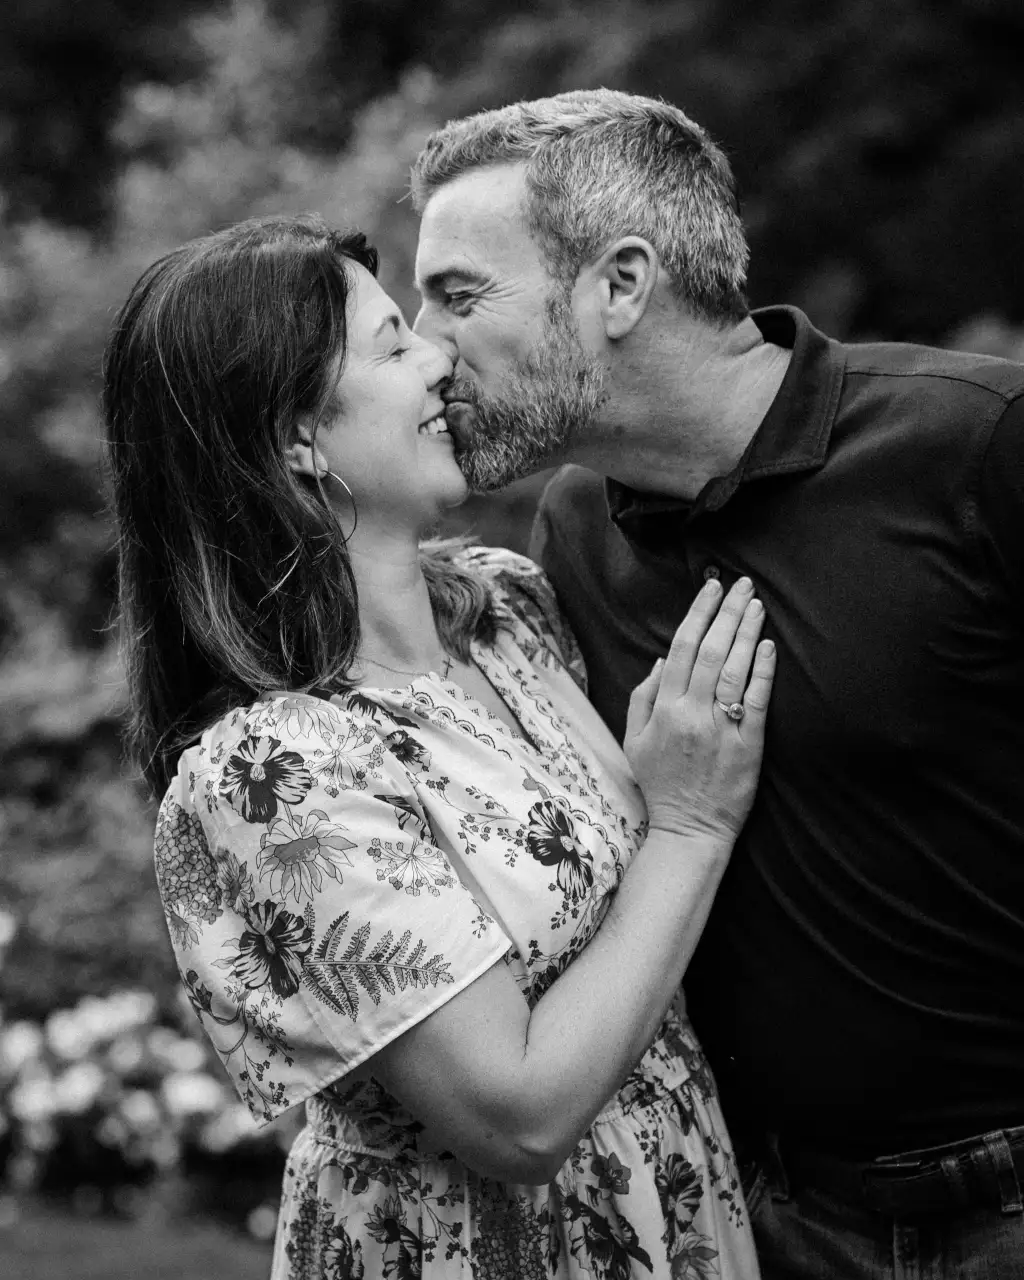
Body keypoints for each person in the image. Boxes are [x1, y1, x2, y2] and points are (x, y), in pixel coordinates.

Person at [408, 89, 1024, 1279]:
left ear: (621, 285)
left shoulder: (980, 443)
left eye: (459, 295)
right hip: (771, 1223)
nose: (428, 349)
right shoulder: (576, 528)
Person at [104, 213, 776, 1279]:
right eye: (391, 343)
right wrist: (689, 825)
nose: (439, 353)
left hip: (673, 1213)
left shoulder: (508, 612)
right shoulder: (275, 773)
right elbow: (517, 1117)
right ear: (297, 438)